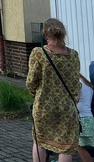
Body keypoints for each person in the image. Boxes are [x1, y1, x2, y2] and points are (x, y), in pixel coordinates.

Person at [26, 18, 81, 162]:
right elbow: (76, 85)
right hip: (66, 108)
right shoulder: (73, 55)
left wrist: (36, 94)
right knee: (65, 148)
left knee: (40, 142)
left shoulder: (39, 53)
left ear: (45, 33)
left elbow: (31, 82)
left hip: (43, 106)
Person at [77, 74, 94, 162]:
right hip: (89, 117)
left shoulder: (77, 84)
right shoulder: (87, 85)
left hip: (82, 119)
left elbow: (76, 99)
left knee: (79, 145)